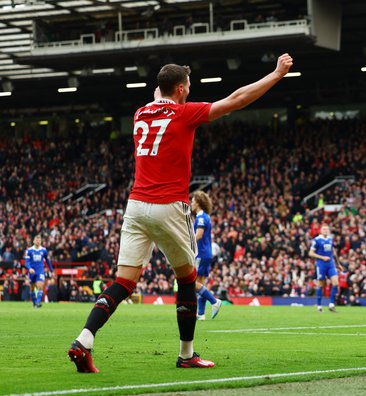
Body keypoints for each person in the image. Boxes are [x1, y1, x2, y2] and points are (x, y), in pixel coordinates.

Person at [67, 53, 294, 373]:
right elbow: (237, 99)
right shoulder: (184, 113)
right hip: (168, 206)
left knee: (123, 283)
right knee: (187, 280)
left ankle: (84, 340)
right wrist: (276, 74)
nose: (189, 90)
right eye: (187, 85)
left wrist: (166, 85)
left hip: (135, 206)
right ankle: (186, 354)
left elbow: (159, 95)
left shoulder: (139, 114)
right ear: (181, 89)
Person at [190, 190, 221, 320]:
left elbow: (199, 235)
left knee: (193, 283)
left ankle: (214, 301)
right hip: (206, 253)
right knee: (200, 283)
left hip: (201, 253)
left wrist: (187, 244)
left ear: (198, 202)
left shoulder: (201, 217)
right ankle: (201, 314)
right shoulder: (205, 216)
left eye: (192, 201)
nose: (191, 203)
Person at [308, 224, 338, 312]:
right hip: (321, 264)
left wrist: (338, 264)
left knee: (335, 282)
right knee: (321, 284)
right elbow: (311, 253)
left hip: (331, 264)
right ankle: (319, 306)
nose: (326, 230)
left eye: (327, 229)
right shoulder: (317, 240)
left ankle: (331, 305)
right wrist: (322, 257)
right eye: (324, 229)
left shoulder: (330, 239)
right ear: (320, 230)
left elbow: (333, 252)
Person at [24, 235, 53, 308]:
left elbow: (48, 261)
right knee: (32, 288)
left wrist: (51, 270)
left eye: (39, 240)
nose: (38, 242)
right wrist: (29, 268)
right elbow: (26, 262)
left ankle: (38, 302)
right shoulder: (29, 250)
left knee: (40, 285)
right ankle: (34, 303)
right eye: (37, 240)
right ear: (33, 241)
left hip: (40, 271)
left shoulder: (44, 250)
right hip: (32, 272)